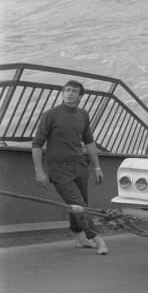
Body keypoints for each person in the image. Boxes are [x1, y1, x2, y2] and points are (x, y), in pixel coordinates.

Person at [32, 80, 108, 255]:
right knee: (79, 205)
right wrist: (39, 171)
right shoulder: (50, 115)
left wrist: (97, 167)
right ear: (63, 93)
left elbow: (89, 142)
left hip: (80, 167)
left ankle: (81, 239)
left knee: (79, 204)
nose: (70, 94)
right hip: (59, 170)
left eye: (74, 91)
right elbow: (37, 144)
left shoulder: (83, 115)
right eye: (67, 90)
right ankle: (98, 240)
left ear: (80, 96)